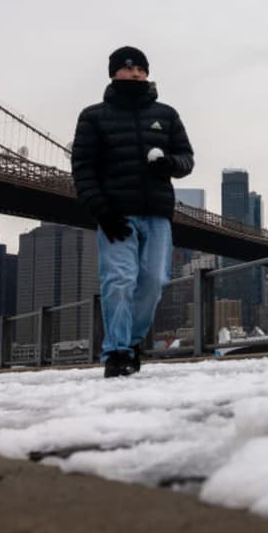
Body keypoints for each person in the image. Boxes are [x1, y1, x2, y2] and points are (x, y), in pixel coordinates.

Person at [71, 46, 195, 377]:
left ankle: (131, 341)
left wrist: (170, 164)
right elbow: (83, 168)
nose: (135, 73)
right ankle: (117, 352)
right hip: (116, 214)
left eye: (140, 67)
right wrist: (102, 211)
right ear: (113, 72)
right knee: (119, 281)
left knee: (154, 281)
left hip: (156, 213)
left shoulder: (166, 114)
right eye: (127, 68)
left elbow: (186, 159)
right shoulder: (93, 116)